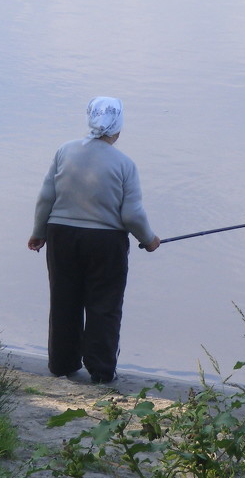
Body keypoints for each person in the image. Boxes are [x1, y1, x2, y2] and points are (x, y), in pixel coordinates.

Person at [27, 97, 161, 383]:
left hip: (61, 235)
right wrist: (149, 240)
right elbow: (132, 214)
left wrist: (39, 232)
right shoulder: (125, 164)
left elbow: (46, 197)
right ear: (119, 128)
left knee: (64, 299)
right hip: (106, 242)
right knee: (104, 304)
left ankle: (62, 364)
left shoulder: (64, 151)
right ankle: (100, 371)